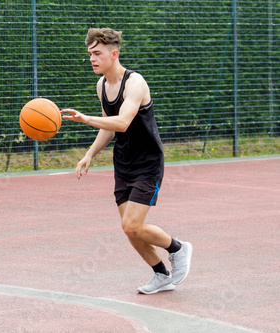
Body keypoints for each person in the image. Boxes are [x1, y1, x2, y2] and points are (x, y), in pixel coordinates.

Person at [61, 28, 192, 294]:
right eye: (90, 54)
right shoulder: (102, 86)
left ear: (114, 53)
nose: (92, 59)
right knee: (131, 230)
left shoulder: (134, 83)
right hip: (123, 162)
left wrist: (84, 118)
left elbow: (122, 122)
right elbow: (108, 127)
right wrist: (90, 153)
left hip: (148, 163)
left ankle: (178, 248)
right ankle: (161, 275)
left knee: (131, 224)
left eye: (97, 53)